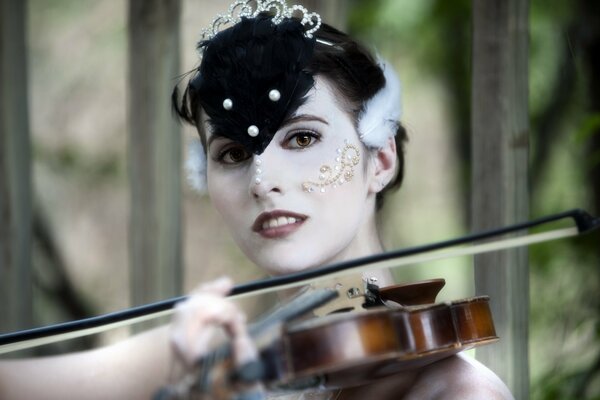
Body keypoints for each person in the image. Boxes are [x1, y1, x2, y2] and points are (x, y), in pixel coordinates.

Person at [0, 1, 514, 399]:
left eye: (302, 138)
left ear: (378, 161)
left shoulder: (459, 392)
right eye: (233, 152)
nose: (262, 180)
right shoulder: (207, 353)